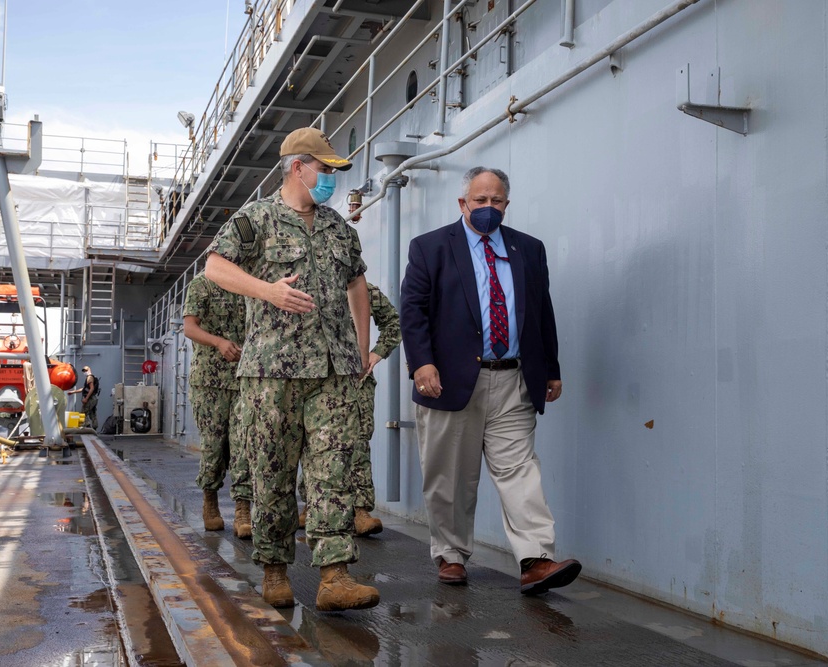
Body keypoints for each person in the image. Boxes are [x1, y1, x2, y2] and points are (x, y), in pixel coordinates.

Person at [205, 126, 379, 612]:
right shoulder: (255, 219)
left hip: (332, 372)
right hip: (271, 373)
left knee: (333, 471)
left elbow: (358, 287)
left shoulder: (341, 229)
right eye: (325, 170)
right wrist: (269, 291)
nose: (331, 181)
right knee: (273, 472)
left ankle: (334, 576)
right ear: (298, 167)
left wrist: (361, 351)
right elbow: (215, 267)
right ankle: (275, 569)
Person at [399, 166, 581, 595]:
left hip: (513, 379)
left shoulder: (528, 249)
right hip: (449, 381)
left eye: (495, 201)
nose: (487, 207)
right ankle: (451, 554)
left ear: (506, 204)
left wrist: (551, 368)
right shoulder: (430, 248)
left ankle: (535, 558)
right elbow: (413, 310)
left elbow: (541, 312)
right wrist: (421, 363)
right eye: (479, 200)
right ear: (463, 203)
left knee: (520, 470)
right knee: (450, 476)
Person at [298, 282, 401, 537]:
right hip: (315, 379)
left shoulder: (366, 291)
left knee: (358, 442)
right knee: (311, 442)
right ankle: (312, 504)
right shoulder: (306, 287)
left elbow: (394, 324)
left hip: (356, 381)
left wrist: (375, 354)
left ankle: (360, 510)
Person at [183, 270, 252, 537]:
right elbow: (190, 327)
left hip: (244, 379)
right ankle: (210, 501)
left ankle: (242, 510)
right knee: (213, 447)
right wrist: (219, 342)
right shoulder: (202, 284)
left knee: (243, 445)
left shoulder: (249, 285)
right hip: (209, 382)